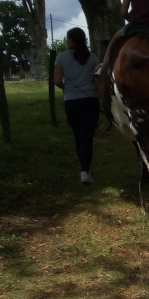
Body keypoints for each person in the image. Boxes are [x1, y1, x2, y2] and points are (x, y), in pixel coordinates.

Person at [54, 27, 100, 185]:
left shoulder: (60, 58)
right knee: (87, 136)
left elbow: (57, 80)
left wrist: (66, 88)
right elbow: (97, 81)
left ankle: (84, 169)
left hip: (71, 101)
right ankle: (85, 171)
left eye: (67, 39)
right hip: (90, 100)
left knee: (77, 136)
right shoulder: (93, 58)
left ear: (71, 40)